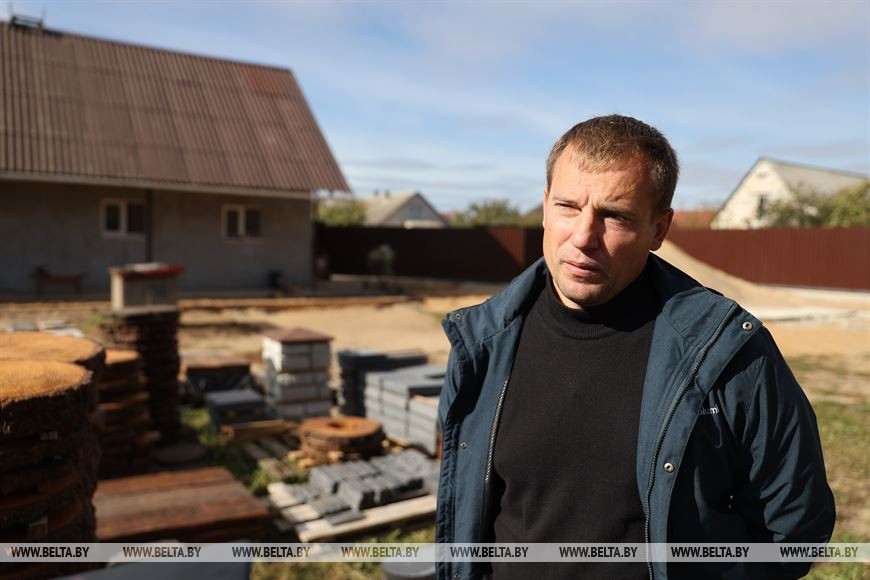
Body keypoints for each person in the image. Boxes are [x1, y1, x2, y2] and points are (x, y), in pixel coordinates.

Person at [436, 115, 835, 580]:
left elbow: (793, 528)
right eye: (568, 206)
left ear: (659, 229)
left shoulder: (726, 351)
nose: (583, 237)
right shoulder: (482, 344)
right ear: (544, 207)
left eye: (615, 216)